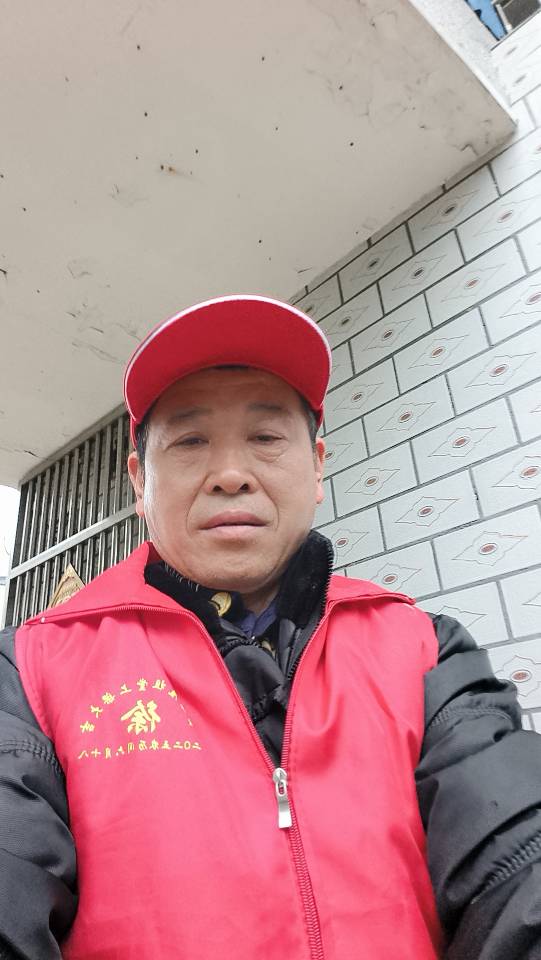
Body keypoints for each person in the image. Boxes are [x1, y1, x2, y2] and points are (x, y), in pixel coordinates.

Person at [0, 295, 540, 960]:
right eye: (191, 441)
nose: (230, 475)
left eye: (265, 438)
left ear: (317, 466)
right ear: (140, 482)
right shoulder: (29, 671)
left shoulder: (426, 650)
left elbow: (517, 861)